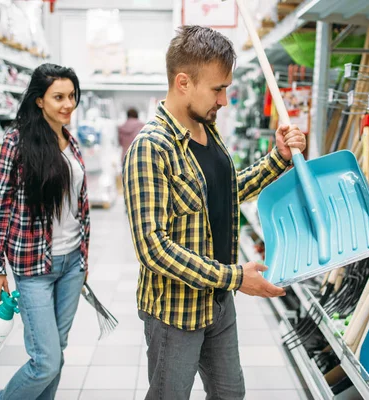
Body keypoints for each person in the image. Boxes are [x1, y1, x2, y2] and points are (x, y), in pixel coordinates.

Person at [123, 25, 306, 400]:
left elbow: (224, 194)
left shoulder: (207, 129)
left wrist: (278, 160)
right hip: (175, 313)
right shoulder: (150, 148)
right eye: (218, 89)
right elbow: (153, 248)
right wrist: (235, 277)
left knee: (229, 394)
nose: (224, 100)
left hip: (218, 302)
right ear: (183, 82)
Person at [0, 63, 90, 400]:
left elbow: (79, 206)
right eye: (58, 97)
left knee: (57, 353)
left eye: (72, 96)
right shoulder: (17, 141)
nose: (68, 104)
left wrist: (84, 260)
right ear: (39, 100)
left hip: (72, 264)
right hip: (33, 266)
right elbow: (0, 205)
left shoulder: (70, 141)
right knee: (45, 361)